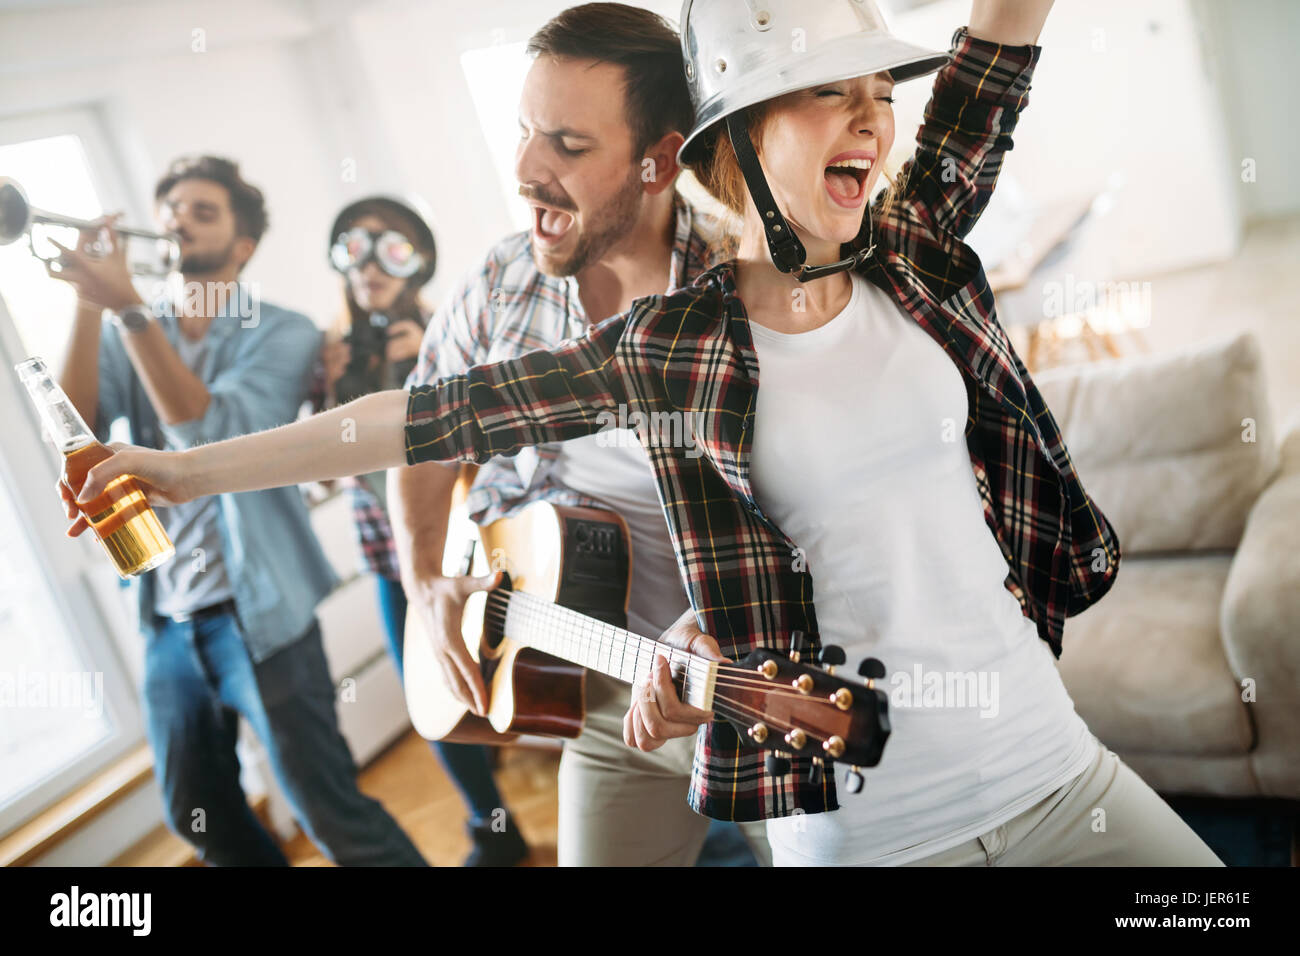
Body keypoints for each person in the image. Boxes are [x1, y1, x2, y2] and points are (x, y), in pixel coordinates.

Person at [62, 0, 1225, 866]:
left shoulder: (913, 244)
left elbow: (995, 56)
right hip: (858, 822)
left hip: (1060, 769)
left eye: (878, 92)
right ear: (736, 139)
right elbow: (415, 419)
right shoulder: (671, 347)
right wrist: (174, 468)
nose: (874, 112)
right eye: (830, 92)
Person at [387, 3, 770, 866]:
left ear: (659, 161)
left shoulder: (748, 296)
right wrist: (424, 582)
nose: (524, 170)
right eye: (524, 131)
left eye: (566, 144)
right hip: (596, 698)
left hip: (749, 689)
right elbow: (419, 439)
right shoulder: (501, 280)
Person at [50, 155, 426, 866]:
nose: (176, 223)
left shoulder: (283, 332)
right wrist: (87, 302)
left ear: (242, 244)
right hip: (166, 617)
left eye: (201, 211)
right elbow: (78, 426)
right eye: (170, 209)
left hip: (264, 617)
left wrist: (127, 309)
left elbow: (208, 442)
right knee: (198, 816)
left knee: (330, 814)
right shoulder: (136, 326)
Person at [317, 194, 527, 866]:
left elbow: (487, 453)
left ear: (417, 265)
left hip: (463, 546)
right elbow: (321, 478)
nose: (372, 262)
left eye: (394, 247)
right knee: (430, 695)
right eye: (357, 245)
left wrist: (421, 376)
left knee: (513, 676)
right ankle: (492, 830)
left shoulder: (446, 334)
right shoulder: (331, 357)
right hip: (388, 558)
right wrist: (331, 390)